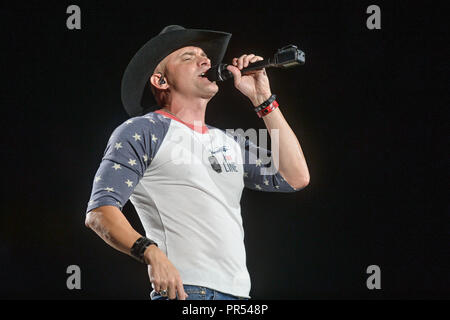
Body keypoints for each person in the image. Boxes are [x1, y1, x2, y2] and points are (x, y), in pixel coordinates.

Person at [85, 25, 310, 300]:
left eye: (205, 56)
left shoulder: (230, 141)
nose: (206, 61)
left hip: (240, 295)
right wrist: (150, 250)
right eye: (188, 57)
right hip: (188, 291)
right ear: (161, 81)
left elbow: (295, 176)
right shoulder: (144, 130)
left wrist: (262, 99)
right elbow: (99, 211)